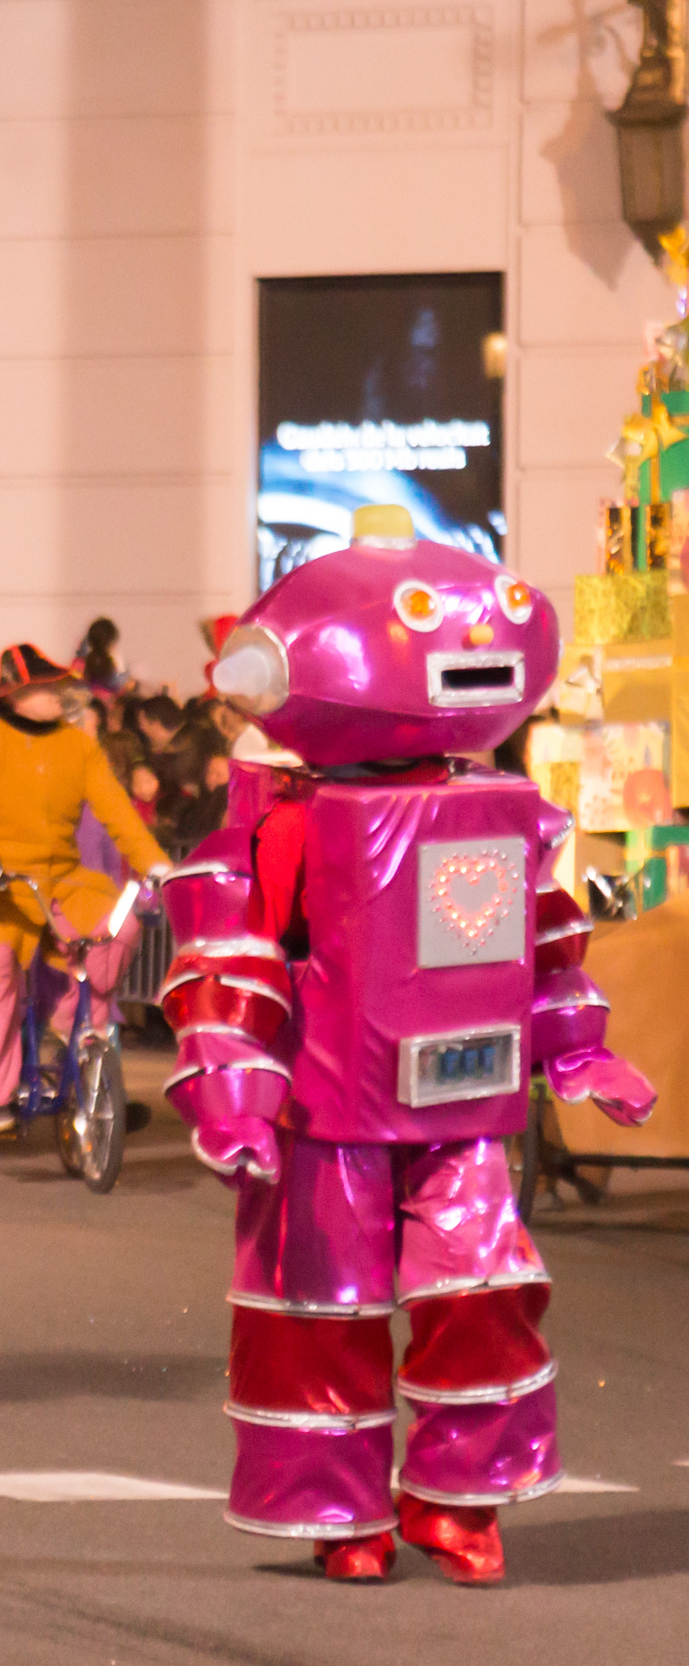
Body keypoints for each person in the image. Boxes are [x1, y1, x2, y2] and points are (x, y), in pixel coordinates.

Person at [162, 504, 652, 1584]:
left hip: (461, 1105)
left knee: (484, 1289)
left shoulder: (499, 810)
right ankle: (343, 1511)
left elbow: (545, 940)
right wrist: (234, 1094)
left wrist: (576, 1047)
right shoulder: (277, 819)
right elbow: (227, 961)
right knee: (318, 1311)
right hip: (326, 1111)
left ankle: (457, 1499)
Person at [0, 643, 170, 1136]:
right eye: (45, 687)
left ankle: (85, 1057)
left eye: (58, 686)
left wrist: (155, 863)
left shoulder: (79, 746)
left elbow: (117, 812)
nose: (59, 695)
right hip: (1, 884)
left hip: (64, 880)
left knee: (118, 926)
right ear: (14, 696)